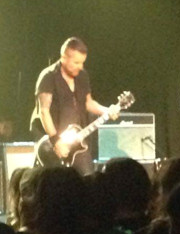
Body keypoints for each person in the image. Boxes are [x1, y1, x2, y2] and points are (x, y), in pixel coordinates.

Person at [29, 37, 119, 175]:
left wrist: (107, 110)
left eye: (82, 62)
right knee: (55, 181)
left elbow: (89, 103)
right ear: (64, 57)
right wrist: (55, 141)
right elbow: (44, 111)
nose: (80, 66)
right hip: (53, 142)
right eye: (76, 62)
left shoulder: (82, 76)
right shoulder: (48, 76)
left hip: (76, 139)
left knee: (88, 179)